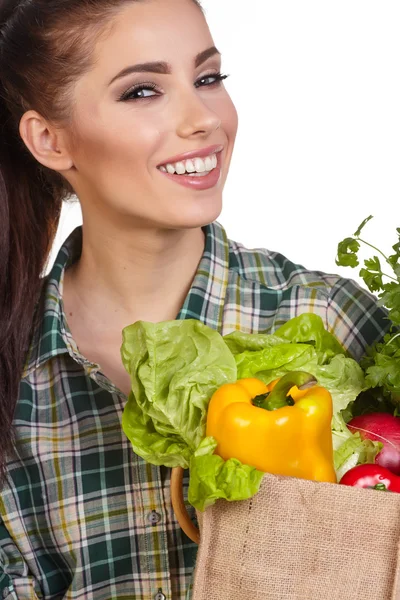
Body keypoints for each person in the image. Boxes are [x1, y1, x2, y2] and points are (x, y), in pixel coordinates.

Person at [0, 0, 390, 598]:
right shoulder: (14, 381)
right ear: (50, 139)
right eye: (142, 92)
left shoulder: (337, 323)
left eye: (207, 78)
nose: (203, 118)